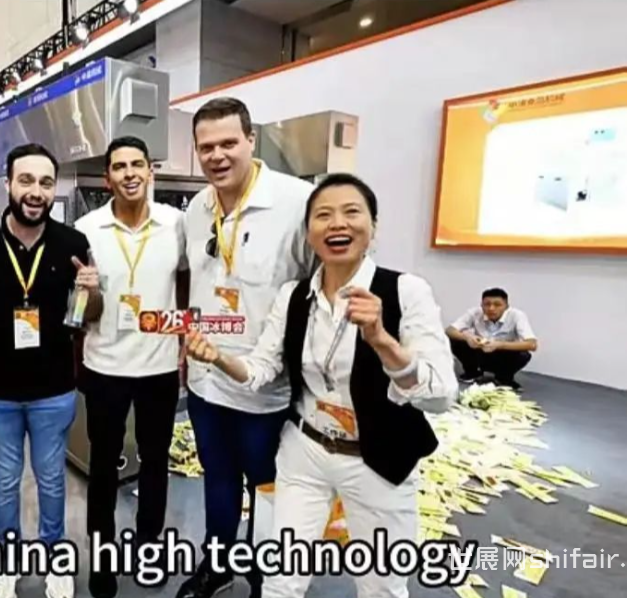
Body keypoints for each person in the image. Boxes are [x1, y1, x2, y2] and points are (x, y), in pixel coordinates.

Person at [186, 173, 457, 598]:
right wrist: (218, 357)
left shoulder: (404, 292)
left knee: (382, 586)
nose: (337, 224)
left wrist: (384, 343)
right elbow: (260, 369)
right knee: (281, 580)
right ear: (309, 232)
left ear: (373, 226)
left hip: (378, 458)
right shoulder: (294, 297)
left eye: (351, 213)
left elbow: (441, 395)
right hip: (305, 451)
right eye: (323, 216)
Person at [178, 97, 317, 598]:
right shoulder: (197, 209)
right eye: (206, 147)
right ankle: (217, 566)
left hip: (266, 390)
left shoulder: (297, 203)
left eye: (228, 143)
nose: (217, 156)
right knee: (217, 478)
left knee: (266, 488)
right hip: (205, 383)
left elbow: (323, 287)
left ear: (250, 140)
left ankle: (263, 577)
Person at [0, 143, 99, 598]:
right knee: (3, 481)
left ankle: (55, 556)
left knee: (52, 479)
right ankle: (8, 558)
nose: (36, 191)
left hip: (53, 388)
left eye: (45, 182)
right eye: (26, 180)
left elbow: (87, 315)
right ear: (8, 184)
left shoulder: (72, 242)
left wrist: (93, 292)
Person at [73, 136, 186, 598]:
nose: (129, 173)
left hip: (160, 366)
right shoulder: (87, 229)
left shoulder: (176, 224)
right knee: (103, 466)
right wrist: (87, 294)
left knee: (156, 461)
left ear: (150, 170)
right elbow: (80, 309)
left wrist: (183, 341)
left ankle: (149, 546)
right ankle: (102, 558)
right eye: (119, 167)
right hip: (105, 366)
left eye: (137, 164)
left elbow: (187, 284)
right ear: (108, 178)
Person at [446, 288, 537, 389]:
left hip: (503, 356)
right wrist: (468, 337)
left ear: (506, 306)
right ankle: (472, 372)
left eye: (497, 305)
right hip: (479, 352)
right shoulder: (474, 312)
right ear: (481, 305)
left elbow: (532, 344)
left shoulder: (517, 315)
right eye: (487, 304)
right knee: (453, 340)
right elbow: (449, 330)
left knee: (524, 354)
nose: (491, 308)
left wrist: (499, 345)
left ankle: (504, 378)